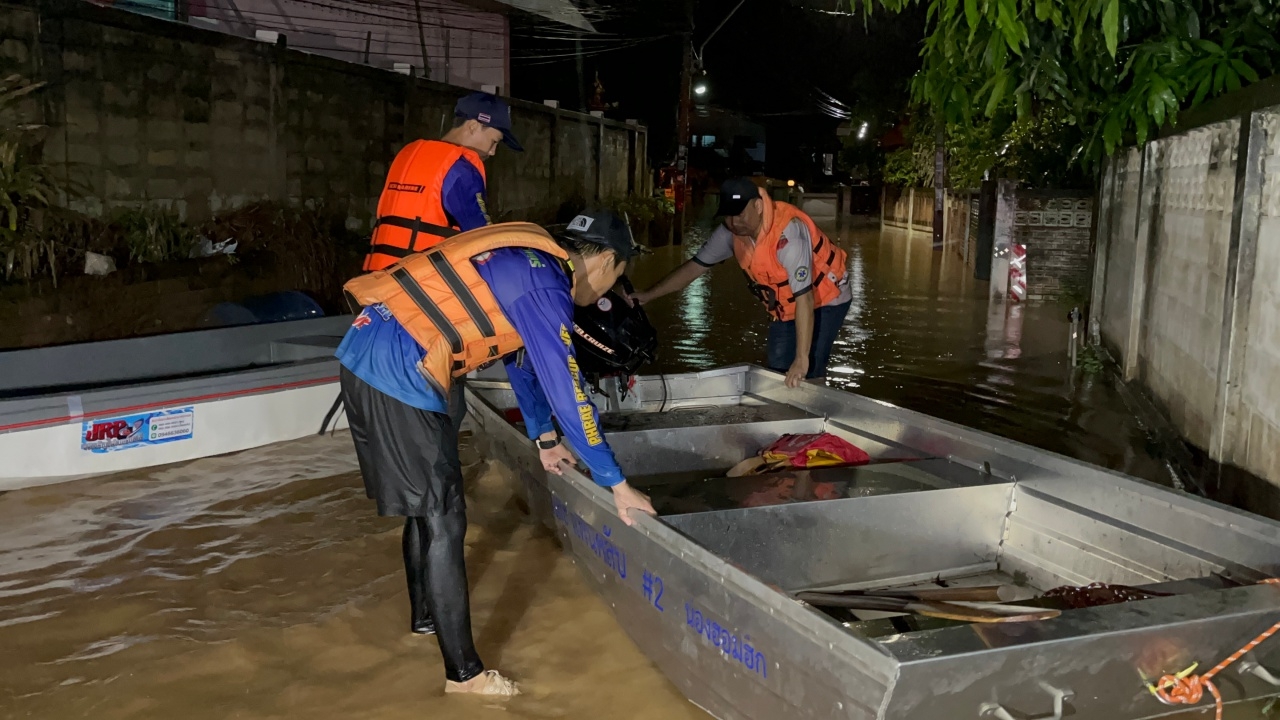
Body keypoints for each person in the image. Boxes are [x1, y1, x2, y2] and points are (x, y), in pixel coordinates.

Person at [334, 210, 657, 697]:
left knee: (429, 508)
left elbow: (518, 359)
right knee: (445, 518)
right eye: (619, 276)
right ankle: (462, 676)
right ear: (609, 261)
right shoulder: (548, 288)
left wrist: (545, 441)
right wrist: (617, 483)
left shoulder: (533, 262)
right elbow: (567, 387)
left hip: (376, 350)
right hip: (397, 370)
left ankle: (425, 621)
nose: (609, 291)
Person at [361, 90, 522, 429]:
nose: (492, 153)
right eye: (493, 142)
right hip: (424, 304)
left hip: (376, 295)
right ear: (475, 127)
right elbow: (481, 240)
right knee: (445, 412)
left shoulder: (409, 154)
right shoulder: (462, 168)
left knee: (394, 412)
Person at [629, 177, 851, 388]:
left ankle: (818, 411)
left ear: (758, 206)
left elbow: (805, 297)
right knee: (777, 370)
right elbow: (693, 268)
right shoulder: (731, 232)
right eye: (728, 216)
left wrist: (802, 359)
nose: (734, 223)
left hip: (826, 298)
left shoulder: (788, 235)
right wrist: (648, 295)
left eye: (739, 214)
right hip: (786, 307)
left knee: (809, 366)